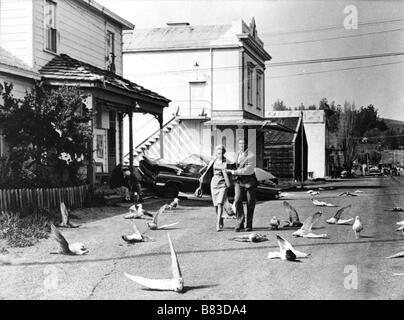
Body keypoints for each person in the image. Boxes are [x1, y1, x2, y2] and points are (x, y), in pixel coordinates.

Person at [199, 145, 232, 231]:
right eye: (218, 153)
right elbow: (207, 169)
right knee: (216, 205)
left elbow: (228, 173)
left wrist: (228, 182)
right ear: (216, 154)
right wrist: (202, 175)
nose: (220, 155)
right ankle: (220, 218)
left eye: (221, 153)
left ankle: (217, 224)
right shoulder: (214, 160)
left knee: (220, 203)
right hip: (214, 183)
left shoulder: (226, 162)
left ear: (224, 153)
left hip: (223, 184)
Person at [227, 139, 258, 232]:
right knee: (237, 200)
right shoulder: (237, 154)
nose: (241, 145)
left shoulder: (251, 155)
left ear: (246, 144)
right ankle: (240, 222)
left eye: (243, 143)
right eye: (240, 143)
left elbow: (247, 170)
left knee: (250, 203)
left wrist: (234, 172)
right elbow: (235, 165)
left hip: (249, 182)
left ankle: (249, 225)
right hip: (239, 181)